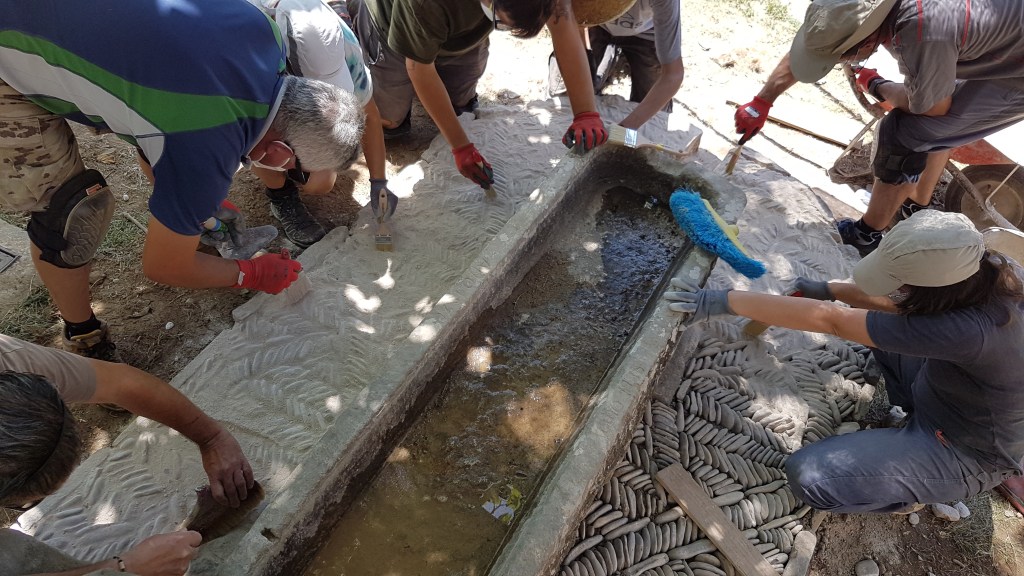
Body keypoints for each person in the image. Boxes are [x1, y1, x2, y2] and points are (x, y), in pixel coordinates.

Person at [0, 0, 364, 361]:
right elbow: (163, 266)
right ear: (280, 154)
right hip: (10, 40)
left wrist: (193, 203)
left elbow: (157, 121)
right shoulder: (205, 143)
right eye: (296, 171)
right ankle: (83, 334)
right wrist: (250, 273)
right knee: (71, 215)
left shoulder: (264, 30)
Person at [665, 210, 1024, 514]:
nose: (895, 289)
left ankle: (909, 494)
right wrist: (830, 289)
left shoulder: (969, 330)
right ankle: (907, 417)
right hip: (948, 391)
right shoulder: (982, 272)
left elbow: (832, 321)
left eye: (900, 283)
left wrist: (723, 301)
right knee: (881, 331)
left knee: (810, 476)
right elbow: (901, 306)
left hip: (965, 449)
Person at [734, 0, 1024, 256]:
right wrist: (762, 101)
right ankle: (915, 205)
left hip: (1016, 70)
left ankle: (867, 234)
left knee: (904, 131)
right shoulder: (864, 9)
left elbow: (932, 108)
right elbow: (818, 40)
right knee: (934, 117)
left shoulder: (920, 29)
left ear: (865, 43)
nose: (843, 62)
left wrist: (876, 84)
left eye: (843, 57)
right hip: (995, 35)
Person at [0, 333, 255, 574]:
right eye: (30, 502)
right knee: (14, 554)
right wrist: (123, 568)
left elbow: (120, 382)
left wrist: (212, 438)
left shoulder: (12, 361)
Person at [348, 0, 609, 191]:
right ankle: (351, 20)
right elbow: (419, 69)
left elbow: (563, 23)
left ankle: (438, 46)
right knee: (389, 120)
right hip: (390, 24)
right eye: (503, 24)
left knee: (460, 107)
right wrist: (461, 147)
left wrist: (586, 113)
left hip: (457, 27)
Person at [247, 0, 396, 248]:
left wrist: (379, 182)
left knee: (321, 183)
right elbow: (249, 136)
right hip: (265, 92)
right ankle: (280, 193)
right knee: (261, 139)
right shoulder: (254, 61)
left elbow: (368, 114)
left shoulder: (340, 44)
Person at [550, 0, 685, 131]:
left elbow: (673, 74)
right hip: (597, 26)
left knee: (654, 121)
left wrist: (625, 130)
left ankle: (612, 57)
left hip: (646, 33)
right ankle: (609, 57)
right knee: (563, 98)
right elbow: (570, 24)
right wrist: (585, 115)